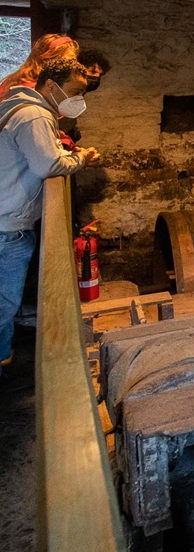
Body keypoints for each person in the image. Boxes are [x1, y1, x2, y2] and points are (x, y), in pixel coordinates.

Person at [0, 58, 100, 376]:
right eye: (74, 91)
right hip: (7, 226)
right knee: (5, 302)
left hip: (7, 218)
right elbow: (48, 165)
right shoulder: (35, 115)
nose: (78, 100)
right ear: (50, 86)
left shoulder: (17, 107)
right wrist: (80, 159)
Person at [0, 34, 79, 100]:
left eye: (73, 61)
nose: (70, 66)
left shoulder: (14, 79)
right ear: (47, 59)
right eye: (65, 61)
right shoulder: (34, 90)